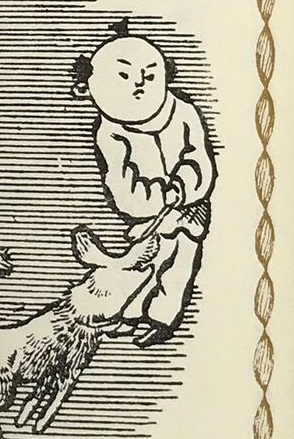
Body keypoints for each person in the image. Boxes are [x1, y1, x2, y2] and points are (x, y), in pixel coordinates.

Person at [70, 21, 215, 346]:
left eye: (149, 75)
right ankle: (132, 314)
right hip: (149, 216)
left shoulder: (184, 112)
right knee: (144, 265)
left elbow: (199, 158)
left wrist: (182, 188)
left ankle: (162, 320)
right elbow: (121, 183)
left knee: (176, 269)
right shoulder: (110, 132)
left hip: (189, 209)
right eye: (123, 76)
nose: (138, 83)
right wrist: (154, 199)